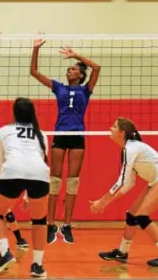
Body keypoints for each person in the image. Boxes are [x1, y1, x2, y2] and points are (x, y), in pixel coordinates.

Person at [30, 38, 101, 244]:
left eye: (72, 69)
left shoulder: (86, 90)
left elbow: (97, 68)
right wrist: (36, 48)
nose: (68, 71)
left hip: (77, 135)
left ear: (80, 74)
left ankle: (67, 224)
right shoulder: (58, 88)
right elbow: (34, 72)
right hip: (60, 134)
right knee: (54, 181)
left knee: (72, 182)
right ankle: (50, 224)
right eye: (68, 69)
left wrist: (76, 55)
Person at [90, 117, 158, 267]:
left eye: (114, 127)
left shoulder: (131, 148)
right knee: (132, 215)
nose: (110, 129)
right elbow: (128, 184)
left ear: (122, 132)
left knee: (142, 216)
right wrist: (105, 202)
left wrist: (102, 201)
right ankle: (122, 252)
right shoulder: (128, 149)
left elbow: (121, 181)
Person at [0, 98, 50, 277]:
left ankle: (5, 253)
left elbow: (1, 162)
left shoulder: (4, 131)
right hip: (39, 175)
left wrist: (10, 186)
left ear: (14, 113)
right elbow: (40, 160)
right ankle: (37, 266)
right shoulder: (42, 134)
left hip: (12, 171)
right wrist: (27, 193)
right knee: (39, 220)